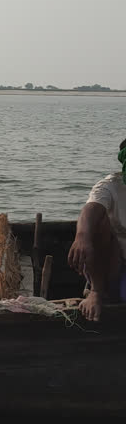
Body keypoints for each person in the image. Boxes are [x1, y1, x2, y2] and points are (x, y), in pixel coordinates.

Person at [68, 137, 126, 321]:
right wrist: (82, 237)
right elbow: (91, 209)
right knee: (100, 222)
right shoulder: (110, 186)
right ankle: (96, 292)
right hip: (113, 265)